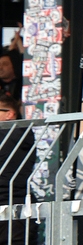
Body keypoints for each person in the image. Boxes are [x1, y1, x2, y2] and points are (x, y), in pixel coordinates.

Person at [0, 94, 34, 245]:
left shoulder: (8, 134)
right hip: (19, 201)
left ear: (10, 114)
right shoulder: (24, 134)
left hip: (9, 201)